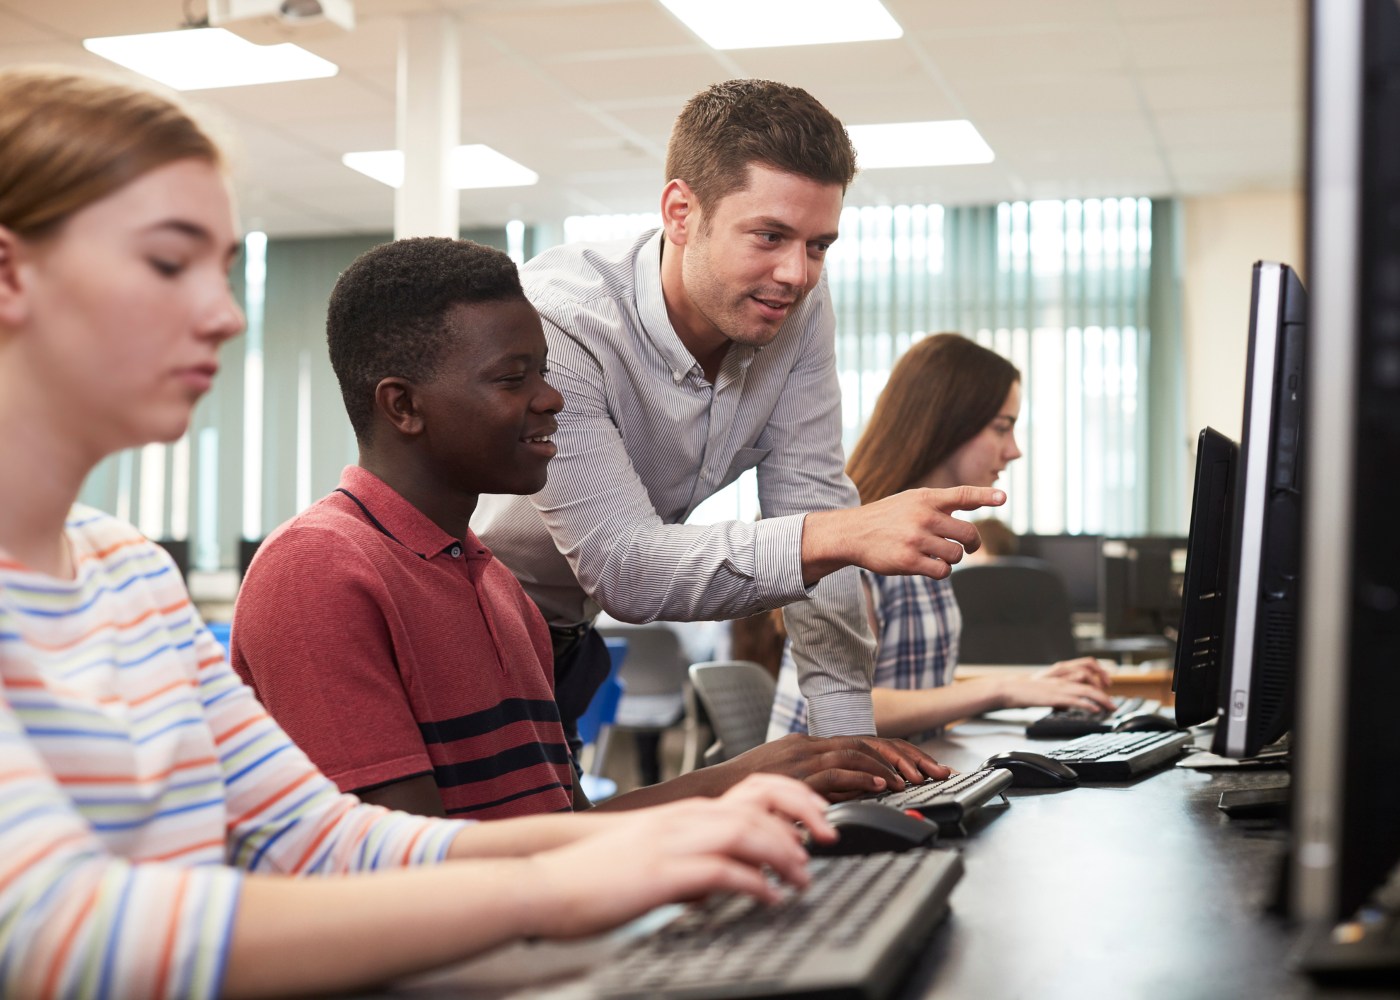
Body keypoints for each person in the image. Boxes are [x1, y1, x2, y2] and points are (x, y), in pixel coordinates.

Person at [0, 65, 837, 997]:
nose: (227, 315)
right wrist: (558, 885)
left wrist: (676, 826)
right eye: (167, 262)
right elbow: (57, 929)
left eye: (226, 270)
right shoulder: (316, 566)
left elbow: (324, 837)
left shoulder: (129, 576)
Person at [232, 236, 951, 819]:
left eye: (544, 370)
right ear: (403, 406)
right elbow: (403, 878)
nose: (553, 399)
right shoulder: (318, 571)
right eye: (515, 378)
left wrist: (753, 777)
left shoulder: (495, 586)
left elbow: (560, 828)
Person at [472, 79, 1003, 748]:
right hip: (464, 631)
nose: (797, 274)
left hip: (569, 635)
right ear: (680, 212)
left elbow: (810, 496)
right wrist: (837, 534)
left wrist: (852, 753)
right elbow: (626, 568)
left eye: (818, 245)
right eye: (770, 235)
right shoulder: (562, 324)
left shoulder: (793, 304)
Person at [769, 333, 1116, 743]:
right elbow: (839, 709)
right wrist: (1001, 690)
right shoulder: (856, 542)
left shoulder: (926, 540)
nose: (1015, 450)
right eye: (1002, 428)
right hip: (818, 795)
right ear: (948, 425)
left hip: (895, 785)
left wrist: (1033, 683)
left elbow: (918, 694)